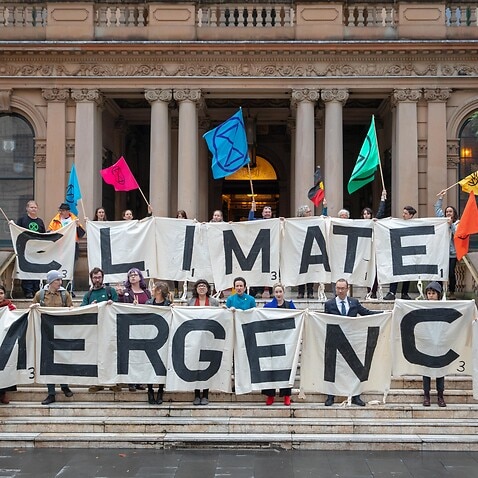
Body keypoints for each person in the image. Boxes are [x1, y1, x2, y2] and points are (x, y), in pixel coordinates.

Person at [323, 278, 380, 407]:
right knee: (332, 369)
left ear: (347, 289)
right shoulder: (329, 304)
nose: (340, 291)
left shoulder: (354, 303)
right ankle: (330, 396)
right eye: (338, 288)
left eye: (343, 288)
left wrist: (384, 314)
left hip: (352, 341)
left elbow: (366, 313)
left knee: (355, 370)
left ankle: (355, 396)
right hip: (334, 341)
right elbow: (324, 321)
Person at [31, 270, 74, 405]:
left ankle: (64, 385)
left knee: (63, 359)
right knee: (49, 363)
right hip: (46, 333)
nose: (60, 282)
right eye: (57, 280)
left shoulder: (64, 294)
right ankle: (51, 392)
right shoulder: (40, 295)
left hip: (62, 332)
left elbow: (71, 309)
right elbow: (32, 310)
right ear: (51, 281)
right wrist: (34, 307)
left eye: (60, 280)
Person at [81, 267, 121, 393]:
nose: (97, 279)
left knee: (111, 355)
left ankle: (113, 382)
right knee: (95, 357)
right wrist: (90, 307)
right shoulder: (88, 295)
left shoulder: (110, 291)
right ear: (91, 279)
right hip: (94, 330)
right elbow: (81, 308)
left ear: (102, 277)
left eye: (99, 277)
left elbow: (118, 306)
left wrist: (111, 304)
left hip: (110, 330)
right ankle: (97, 383)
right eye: (95, 277)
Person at [116, 268, 151, 392]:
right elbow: (120, 307)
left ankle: (140, 381)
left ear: (140, 277)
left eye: (135, 275)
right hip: (130, 326)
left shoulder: (147, 292)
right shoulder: (126, 292)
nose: (132, 277)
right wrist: (120, 296)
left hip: (144, 327)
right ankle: (131, 382)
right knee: (131, 355)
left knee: (142, 355)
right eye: (130, 275)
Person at [187, 279, 220, 405]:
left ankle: (205, 393)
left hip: (209, 337)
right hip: (194, 337)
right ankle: (196, 394)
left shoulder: (214, 302)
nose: (201, 288)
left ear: (207, 288)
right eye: (199, 286)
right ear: (195, 288)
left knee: (207, 365)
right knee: (194, 365)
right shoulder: (190, 302)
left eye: (204, 286)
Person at [262, 283, 296, 406]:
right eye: (276, 292)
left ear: (283, 292)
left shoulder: (290, 305)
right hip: (272, 340)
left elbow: (296, 319)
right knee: (270, 368)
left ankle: (286, 395)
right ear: (273, 293)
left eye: (280, 292)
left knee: (286, 369)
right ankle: (270, 395)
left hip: (287, 341)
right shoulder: (268, 306)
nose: (278, 294)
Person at [48, 203, 85, 297]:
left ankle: (70, 289)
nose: (61, 212)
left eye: (63, 211)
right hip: (59, 248)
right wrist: (51, 232)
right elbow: (49, 232)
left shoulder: (74, 220)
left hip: (72, 247)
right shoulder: (55, 220)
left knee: (71, 269)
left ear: (68, 211)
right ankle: (59, 288)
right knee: (59, 268)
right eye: (60, 211)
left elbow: (81, 234)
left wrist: (77, 226)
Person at [145, 281, 173, 405]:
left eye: (153, 288)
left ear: (159, 290)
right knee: (149, 364)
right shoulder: (148, 303)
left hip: (163, 338)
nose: (151, 289)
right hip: (150, 336)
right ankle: (150, 389)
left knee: (161, 364)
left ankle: (160, 390)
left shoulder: (169, 304)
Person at [383, 205, 417, 300]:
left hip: (409, 251)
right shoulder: (398, 223)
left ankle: (404, 293)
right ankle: (392, 292)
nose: (403, 215)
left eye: (405, 213)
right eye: (403, 213)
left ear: (411, 215)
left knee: (407, 273)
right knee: (395, 272)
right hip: (398, 251)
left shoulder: (416, 224)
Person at [295, 200, 328, 299]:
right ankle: (300, 292)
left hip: (312, 248)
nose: (310, 213)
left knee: (311, 271)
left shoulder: (314, 220)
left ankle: (310, 291)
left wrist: (325, 208)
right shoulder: (296, 223)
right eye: (308, 212)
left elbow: (323, 219)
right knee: (301, 271)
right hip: (300, 249)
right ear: (302, 214)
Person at [422, 281, 446, 407]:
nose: (431, 296)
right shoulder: (422, 308)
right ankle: (426, 395)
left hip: (440, 344)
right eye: (429, 293)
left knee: (440, 371)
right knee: (426, 371)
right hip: (427, 344)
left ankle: (440, 396)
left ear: (438, 295)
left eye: (433, 293)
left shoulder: (444, 308)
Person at [16, 200, 46, 298]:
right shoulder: (22, 220)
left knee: (36, 269)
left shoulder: (40, 221)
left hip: (36, 250)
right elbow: (17, 231)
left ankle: (36, 290)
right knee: (27, 269)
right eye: (31, 207)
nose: (33, 209)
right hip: (25, 249)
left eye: (35, 207)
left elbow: (43, 235)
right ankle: (28, 290)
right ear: (27, 208)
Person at [361, 189, 387, 299]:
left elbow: (381, 212)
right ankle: (369, 291)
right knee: (367, 273)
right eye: (364, 214)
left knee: (375, 273)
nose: (366, 215)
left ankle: (374, 291)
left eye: (368, 214)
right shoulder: (359, 224)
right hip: (364, 252)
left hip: (375, 251)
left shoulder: (375, 222)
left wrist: (383, 199)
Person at [435, 190, 459, 299]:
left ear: (454, 213)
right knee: (440, 273)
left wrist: (451, 225)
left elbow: (457, 235)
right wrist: (440, 198)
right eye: (447, 212)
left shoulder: (457, 224)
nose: (448, 213)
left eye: (450, 211)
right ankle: (437, 292)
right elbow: (437, 210)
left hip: (452, 254)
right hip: (442, 253)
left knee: (450, 273)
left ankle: (452, 292)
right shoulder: (442, 220)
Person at [0, 285, 16, 404]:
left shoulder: (10, 307)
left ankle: (4, 393)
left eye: (1, 293)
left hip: (5, 343)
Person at [174, 210, 188, 297]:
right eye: (179, 216)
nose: (180, 218)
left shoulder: (189, 224)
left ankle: (184, 289)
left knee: (186, 271)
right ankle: (176, 289)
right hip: (176, 251)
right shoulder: (173, 226)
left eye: (182, 216)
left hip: (185, 251)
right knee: (175, 271)